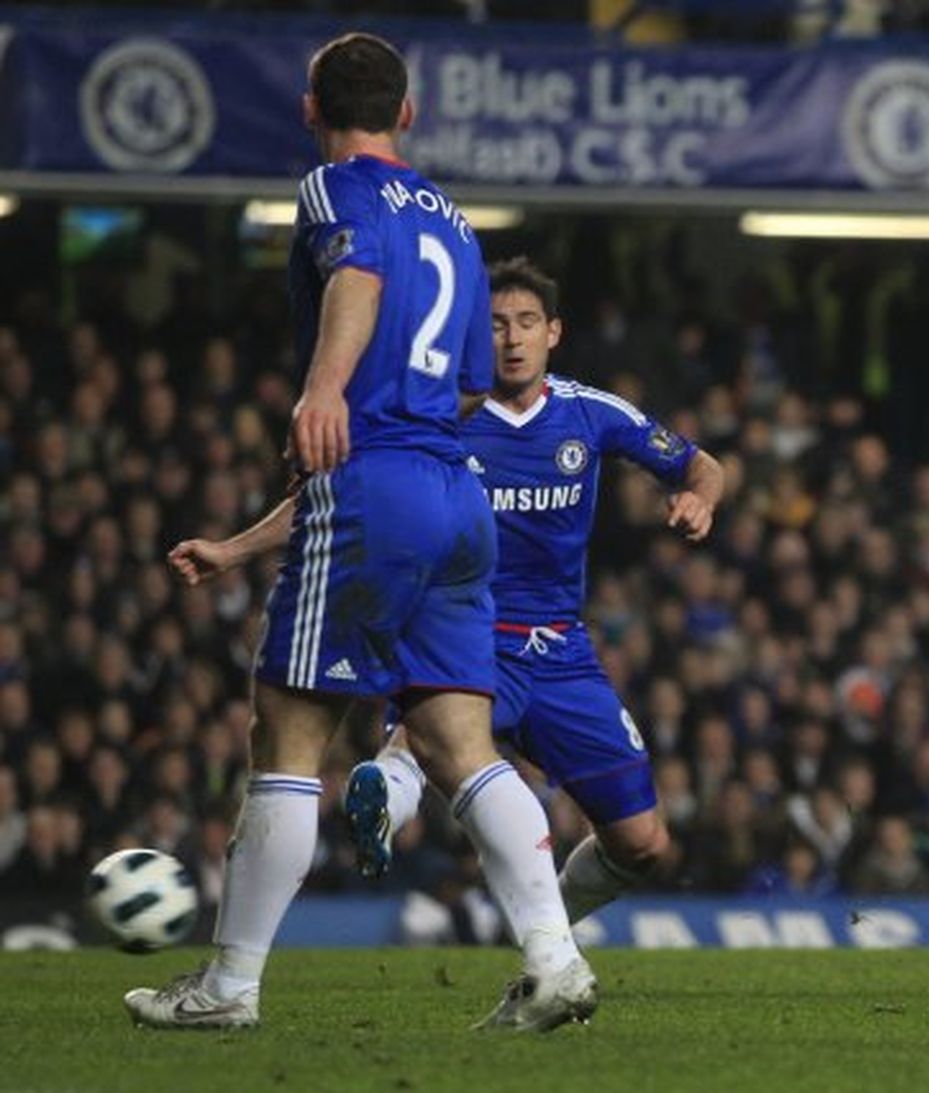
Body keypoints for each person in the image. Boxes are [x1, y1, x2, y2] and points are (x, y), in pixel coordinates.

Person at [128, 33, 592, 1032]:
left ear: (311, 109)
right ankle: (555, 959)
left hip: (372, 479)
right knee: (459, 739)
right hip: (456, 493)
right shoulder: (460, 223)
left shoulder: (337, 189)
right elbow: (470, 380)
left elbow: (358, 276)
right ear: (409, 113)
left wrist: (324, 387)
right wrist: (246, 542)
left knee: (286, 731)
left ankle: (230, 986)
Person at [343, 258, 724, 923]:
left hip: (559, 651)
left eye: (525, 323)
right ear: (472, 336)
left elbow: (701, 464)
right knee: (420, 744)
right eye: (494, 325)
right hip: (463, 635)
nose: (511, 339)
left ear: (554, 332)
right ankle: (383, 794)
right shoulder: (440, 419)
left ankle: (541, 936)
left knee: (643, 843)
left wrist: (700, 501)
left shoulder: (589, 412)